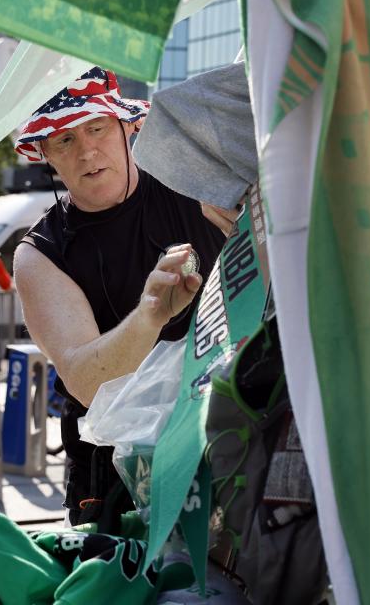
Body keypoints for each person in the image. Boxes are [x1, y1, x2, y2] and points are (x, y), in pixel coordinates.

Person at [13, 67, 232, 526]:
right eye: (64, 140)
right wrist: (149, 316)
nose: (87, 150)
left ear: (127, 126)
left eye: (96, 128)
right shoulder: (41, 255)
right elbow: (87, 383)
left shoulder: (196, 186)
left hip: (230, 428)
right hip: (117, 468)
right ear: (45, 154)